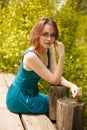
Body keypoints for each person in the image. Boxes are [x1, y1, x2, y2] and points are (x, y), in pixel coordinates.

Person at [6, 17, 82, 114]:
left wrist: (72, 86)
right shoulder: (31, 56)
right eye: (45, 34)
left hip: (33, 94)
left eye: (52, 35)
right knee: (57, 107)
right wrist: (62, 56)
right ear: (37, 34)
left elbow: (56, 75)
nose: (49, 39)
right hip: (19, 98)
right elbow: (54, 80)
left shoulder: (49, 49)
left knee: (59, 103)